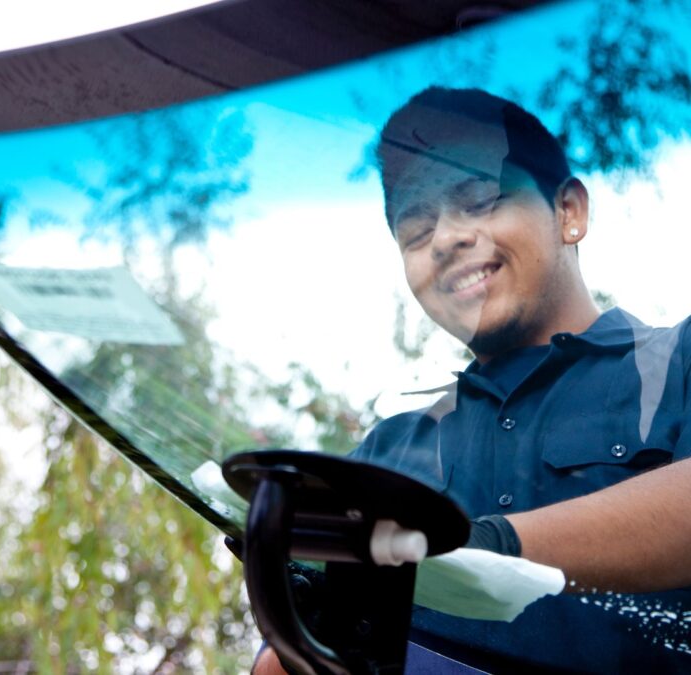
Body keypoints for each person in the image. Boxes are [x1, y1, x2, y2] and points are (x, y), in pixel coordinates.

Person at [254, 87, 691, 673]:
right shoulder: (386, 452)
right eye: (415, 229)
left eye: (480, 199)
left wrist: (487, 548)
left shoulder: (678, 361)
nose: (444, 238)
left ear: (569, 212)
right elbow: (289, 654)